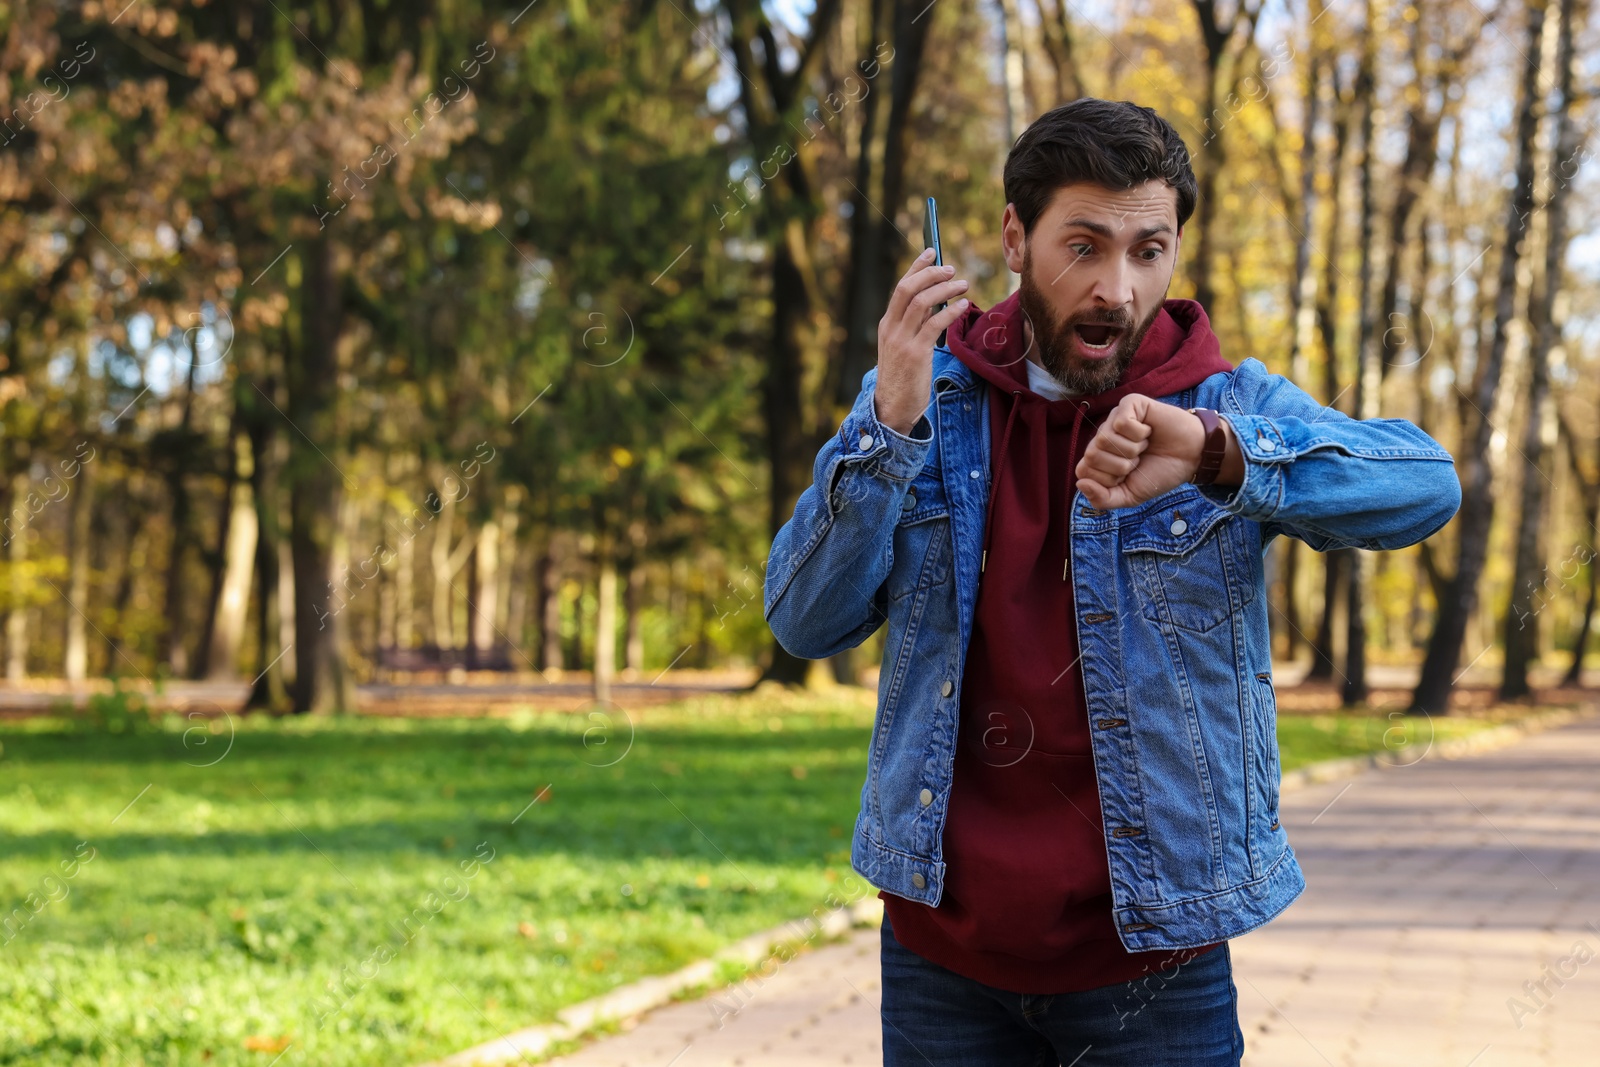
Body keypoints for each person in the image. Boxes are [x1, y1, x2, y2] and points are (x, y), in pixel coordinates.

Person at [761, 98, 1462, 1066]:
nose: (1116, 287)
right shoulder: (922, 397)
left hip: (1153, 955)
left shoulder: (1224, 402)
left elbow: (1424, 484)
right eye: (1082, 245)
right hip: (941, 950)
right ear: (1016, 237)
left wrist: (1222, 456)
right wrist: (885, 426)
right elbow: (804, 621)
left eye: (1147, 248)